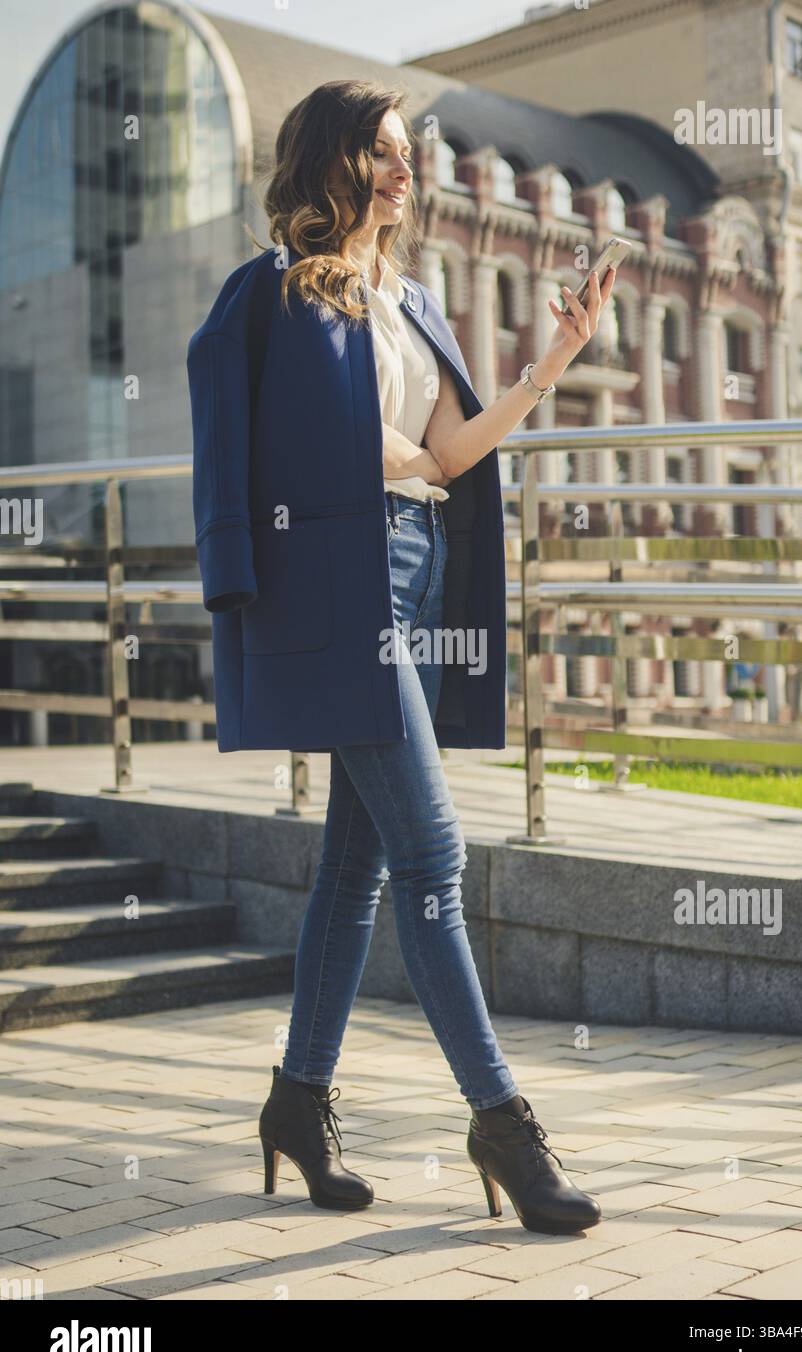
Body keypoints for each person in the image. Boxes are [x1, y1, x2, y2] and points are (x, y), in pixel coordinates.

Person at [191, 79, 614, 1236]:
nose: (399, 169)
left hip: (420, 571)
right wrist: (240, 578)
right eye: (376, 151)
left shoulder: (412, 302)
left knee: (355, 864)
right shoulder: (275, 295)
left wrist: (554, 359)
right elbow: (232, 428)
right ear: (330, 161)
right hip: (342, 580)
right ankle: (501, 1123)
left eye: (403, 153)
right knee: (433, 851)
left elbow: (449, 451)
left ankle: (296, 1100)